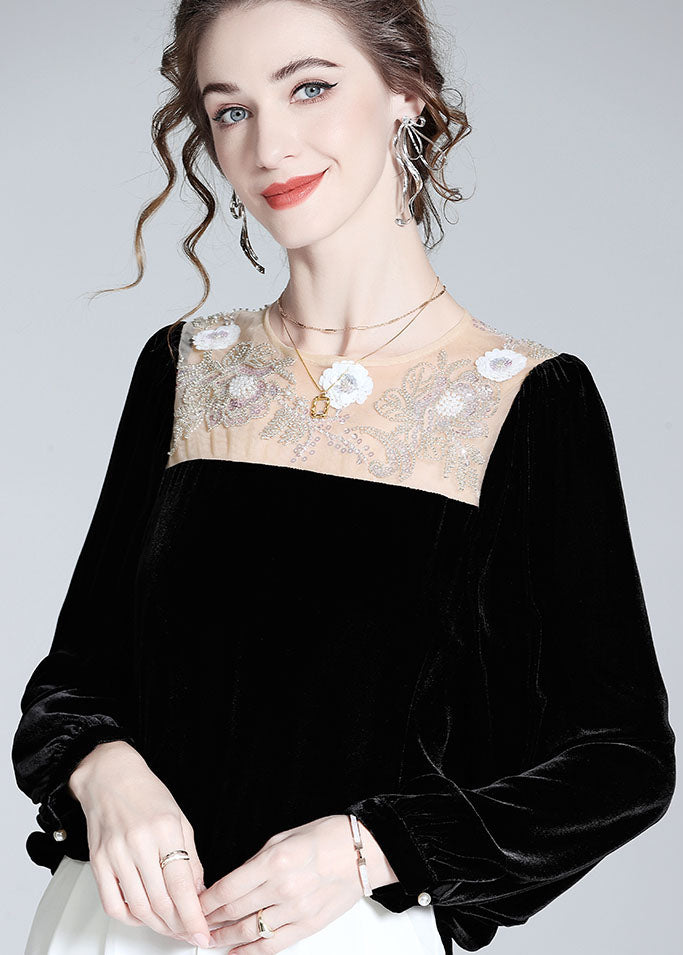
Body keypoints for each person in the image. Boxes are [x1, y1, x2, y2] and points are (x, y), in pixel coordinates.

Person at [12, 1, 676, 953]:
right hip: (109, 924)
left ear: (406, 92)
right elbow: (74, 677)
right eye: (230, 110)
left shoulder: (526, 400)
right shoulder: (185, 368)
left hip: (341, 934)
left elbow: (622, 757)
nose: (268, 145)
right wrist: (104, 768)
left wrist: (371, 846)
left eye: (310, 88)